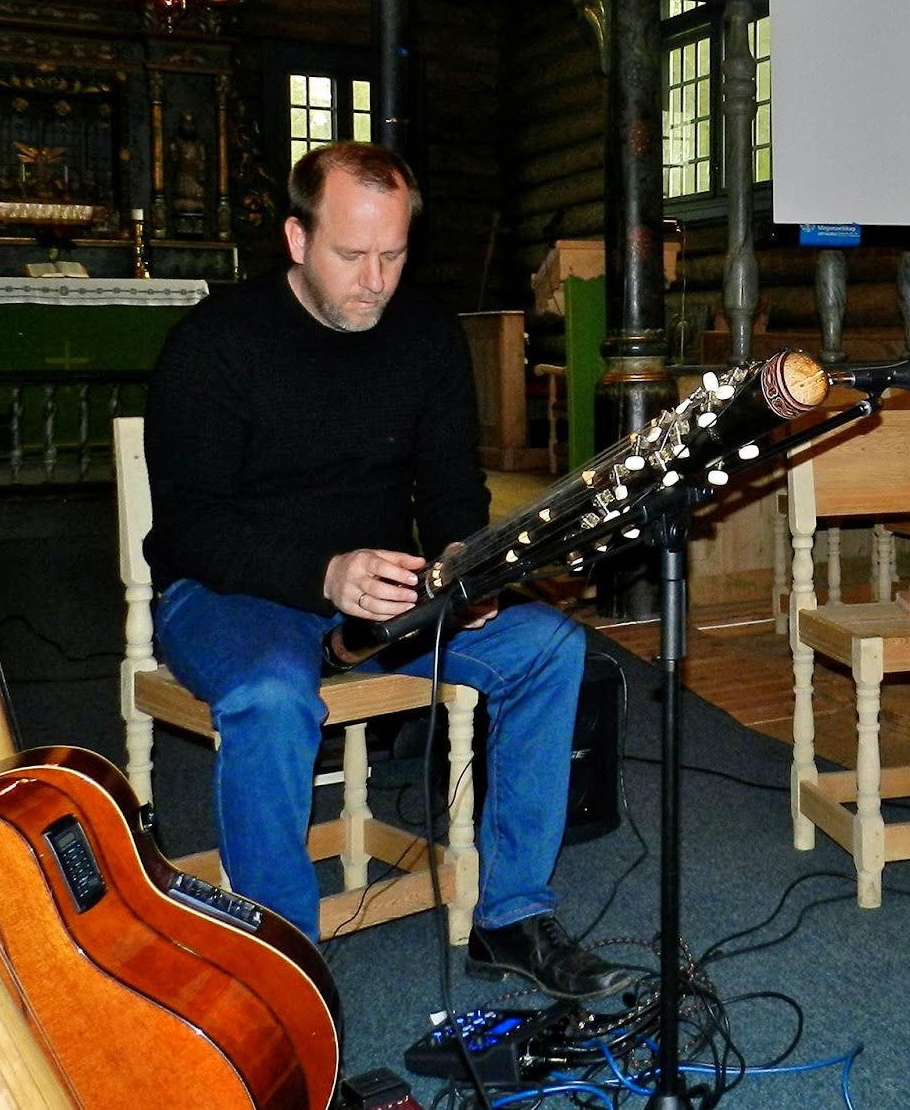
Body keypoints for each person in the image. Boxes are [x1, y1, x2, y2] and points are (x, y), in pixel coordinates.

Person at [143, 140, 631, 1000]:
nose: (375, 280)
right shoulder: (214, 342)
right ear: (297, 239)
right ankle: (284, 961)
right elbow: (190, 527)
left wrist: (461, 559)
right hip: (230, 592)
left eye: (394, 255)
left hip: (381, 594)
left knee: (549, 649)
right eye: (351, 254)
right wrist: (325, 572)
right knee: (271, 695)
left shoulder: (427, 335)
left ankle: (511, 913)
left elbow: (450, 490)